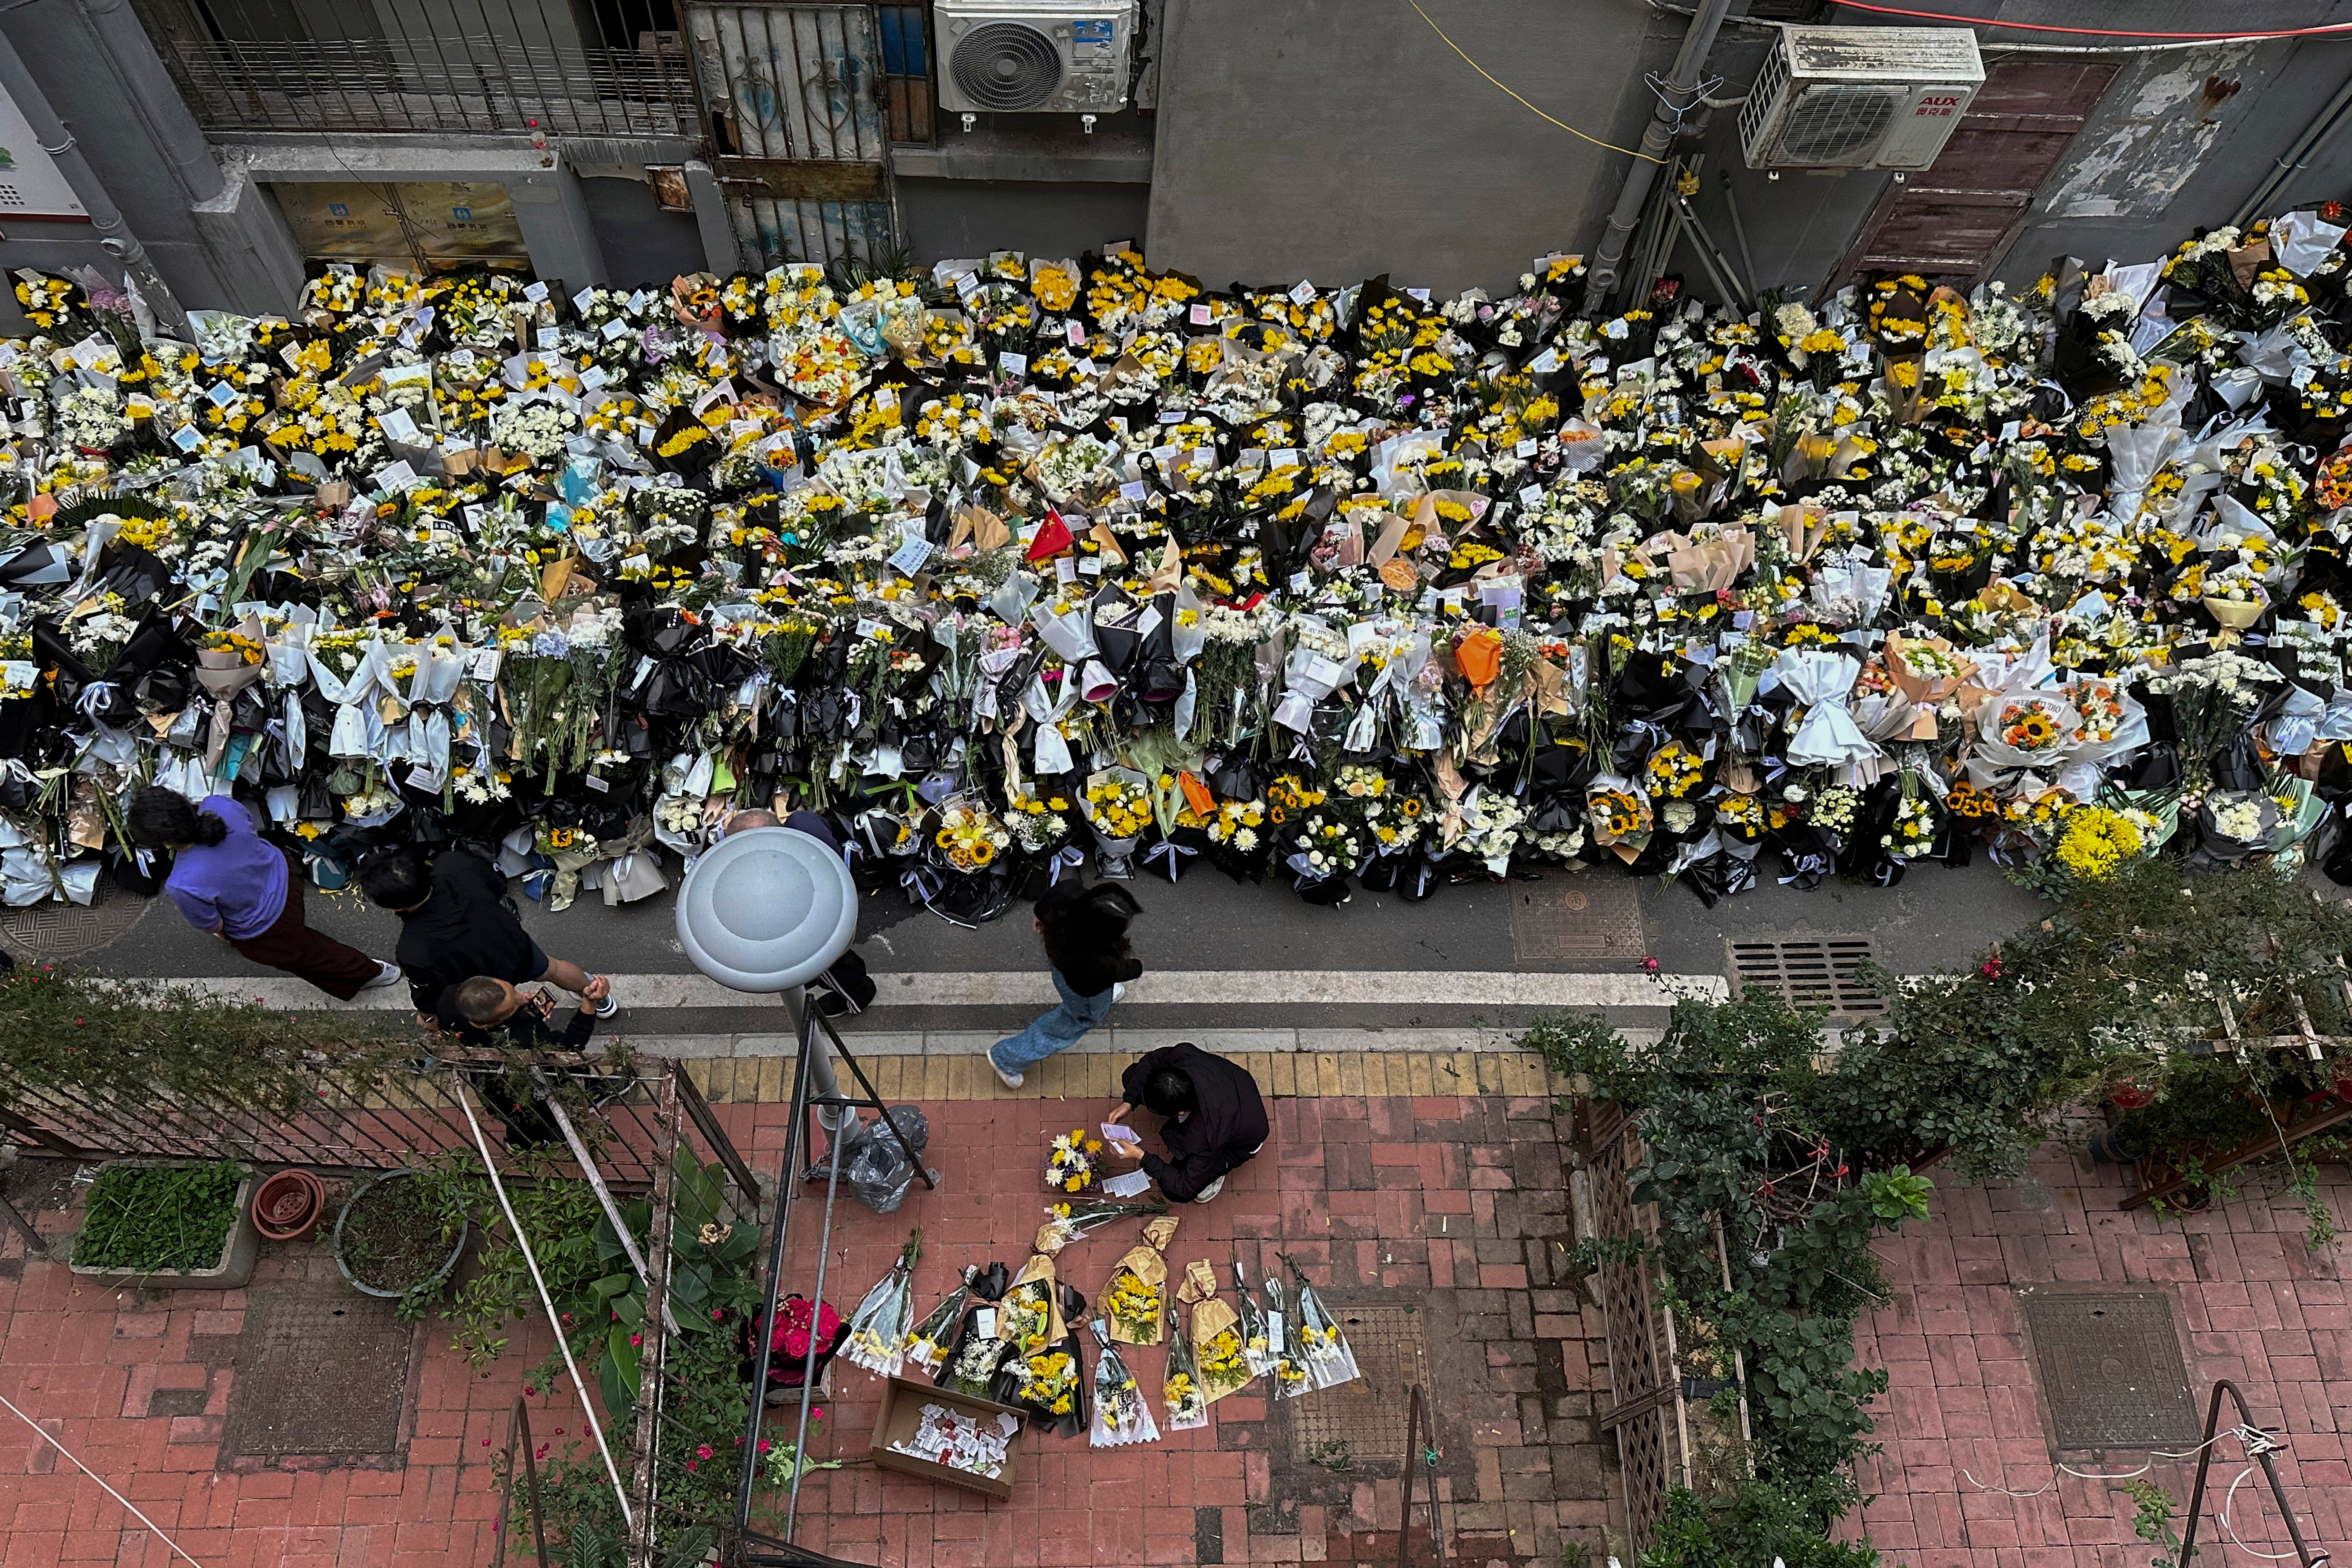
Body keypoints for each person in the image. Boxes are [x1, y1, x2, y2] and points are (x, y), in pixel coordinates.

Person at [128, 786, 399, 1001]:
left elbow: (214, 925)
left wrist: (232, 939)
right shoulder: (221, 806)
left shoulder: (183, 883)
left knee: (312, 956)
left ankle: (368, 972)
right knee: (305, 943)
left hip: (267, 927)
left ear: (162, 841)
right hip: (286, 875)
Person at [356, 847, 615, 1034]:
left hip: (478, 983)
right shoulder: (455, 864)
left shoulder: (413, 949)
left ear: (395, 908)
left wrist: (429, 1018)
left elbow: (428, 993)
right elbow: (496, 884)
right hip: (510, 941)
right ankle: (593, 994)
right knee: (552, 968)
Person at [986, 879, 1143, 1090]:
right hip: (1085, 989)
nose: (1130, 922)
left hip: (1065, 965)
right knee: (1076, 1020)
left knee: (1093, 996)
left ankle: (1105, 997)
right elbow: (1122, 971)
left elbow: (1051, 899)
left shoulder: (1070, 898)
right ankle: (1008, 1059)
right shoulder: (1096, 960)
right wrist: (1137, 968)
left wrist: (1042, 918)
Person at [720, 807, 876, 1015]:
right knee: (842, 959)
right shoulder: (804, 823)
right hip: (841, 903)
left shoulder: (774, 879)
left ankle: (855, 999)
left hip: (820, 930)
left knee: (834, 967)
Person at [1104, 1042, 1268, 1203]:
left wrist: (1141, 1156)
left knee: (1175, 1192)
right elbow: (1153, 1060)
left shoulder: (1206, 1135)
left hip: (1242, 1142)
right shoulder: (1184, 1055)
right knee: (1132, 1076)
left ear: (1181, 1113)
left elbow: (1184, 1187)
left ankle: (1216, 1173)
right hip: (1235, 1087)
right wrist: (1129, 1103)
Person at [448, 973, 611, 1051]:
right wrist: (589, 1003)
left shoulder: (449, 998)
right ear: (490, 1025)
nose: (522, 998)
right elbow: (572, 1044)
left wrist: (521, 1006)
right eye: (512, 1007)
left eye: (513, 990)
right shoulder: (526, 1037)